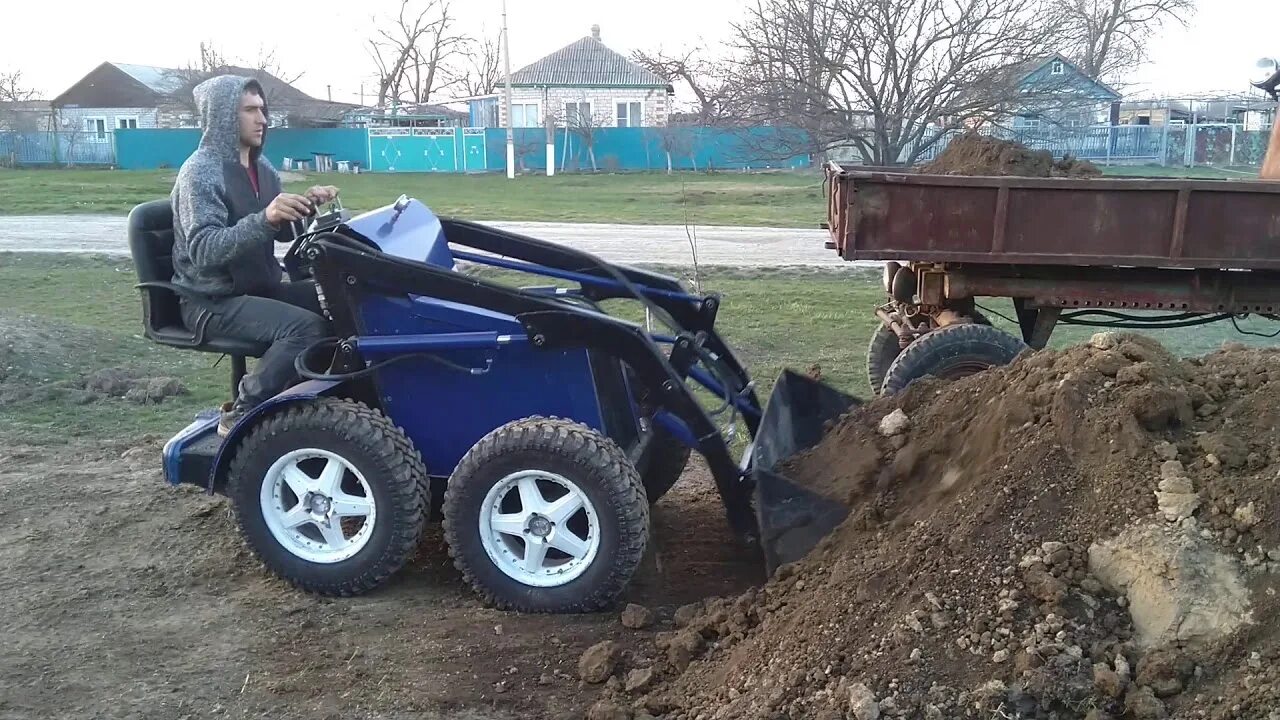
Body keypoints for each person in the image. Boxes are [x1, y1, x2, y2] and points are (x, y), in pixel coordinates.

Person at [169, 74, 340, 436]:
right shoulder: (200, 172)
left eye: (262, 109)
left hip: (258, 285)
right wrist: (265, 218)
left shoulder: (263, 170)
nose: (262, 119)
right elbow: (203, 250)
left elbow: (275, 230)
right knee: (305, 328)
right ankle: (241, 412)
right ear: (221, 116)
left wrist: (305, 207)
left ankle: (312, 399)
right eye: (250, 110)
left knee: (344, 302)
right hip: (211, 299)